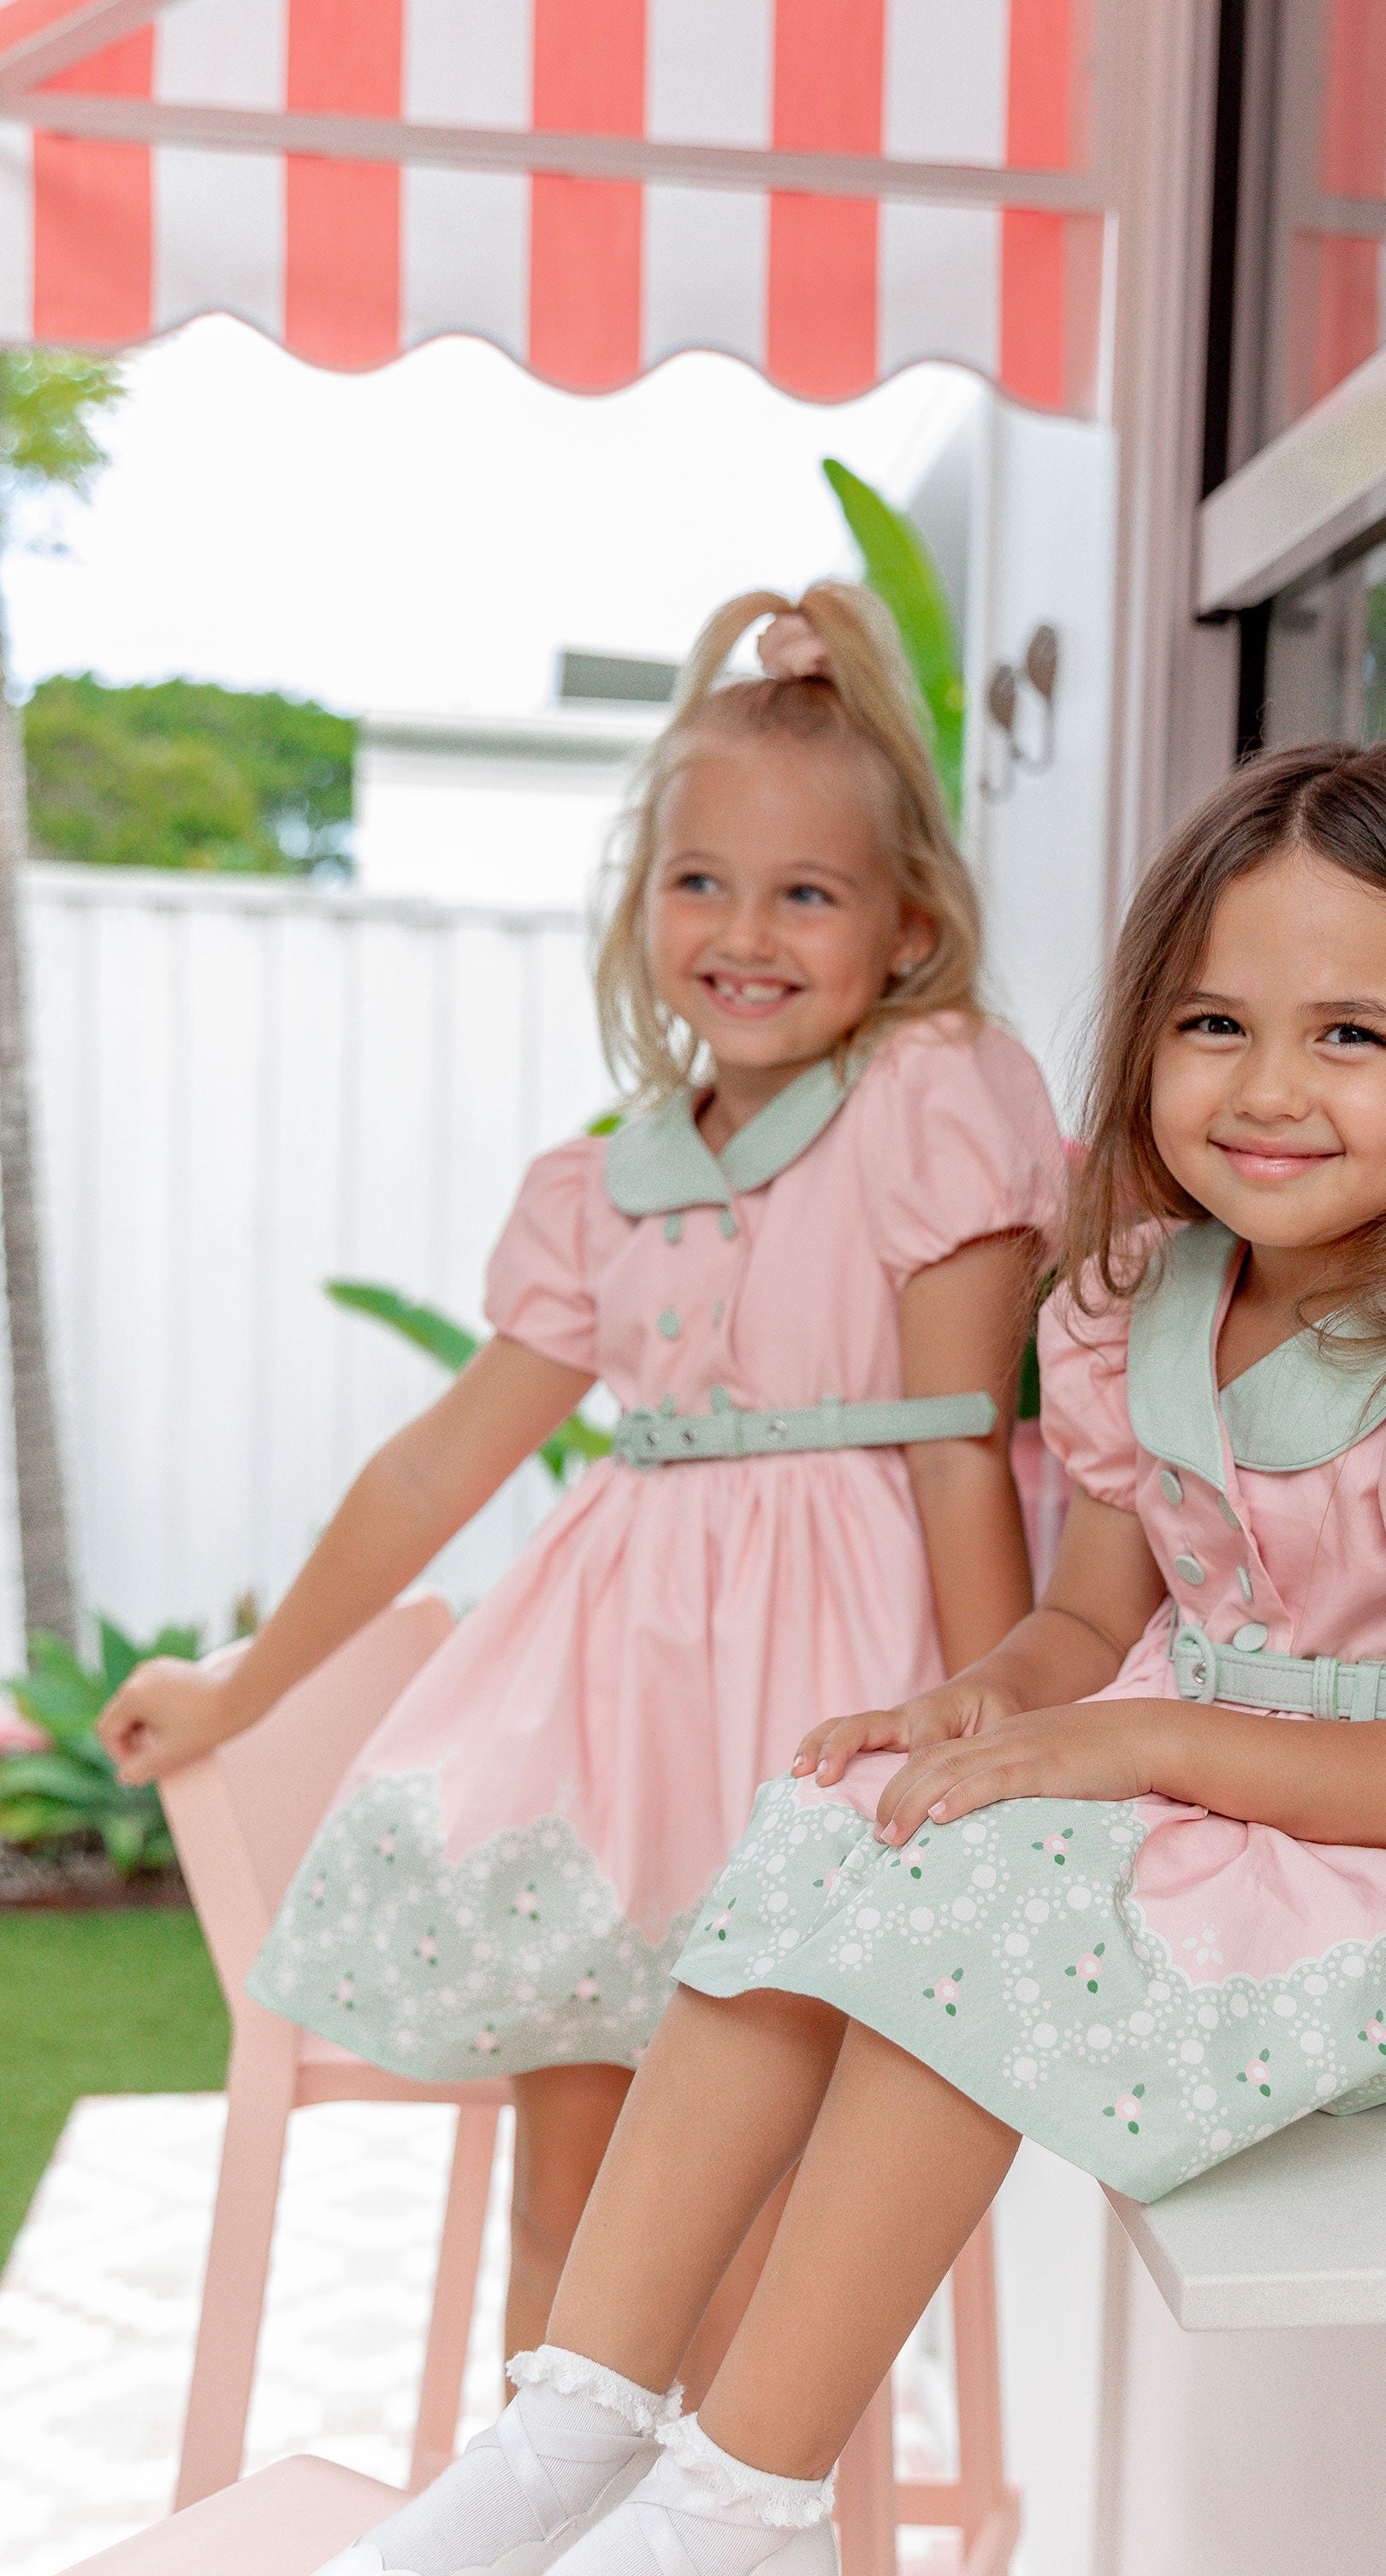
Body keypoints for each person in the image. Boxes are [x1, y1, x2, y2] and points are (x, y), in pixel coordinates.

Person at [247, 737, 1386, 2576]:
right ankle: (574, 2418)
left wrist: (1102, 1744)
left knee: (986, 1919)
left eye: (1350, 1034)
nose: (1267, 1087)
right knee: (845, 1813)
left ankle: (748, 2513)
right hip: (1222, 1779)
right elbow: (1074, 1628)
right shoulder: (1139, 1300)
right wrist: (978, 1706)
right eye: (1216, 1023)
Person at [101, 579, 1063, 2379]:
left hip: (823, 1721)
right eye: (700, 881)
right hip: (610, 1734)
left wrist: (1006, 1731)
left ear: (905, 925)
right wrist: (248, 1680)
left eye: (806, 892)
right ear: (641, 904)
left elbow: (960, 1456)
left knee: (752, 2231)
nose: (744, 931)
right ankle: (518, 2551)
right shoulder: (598, 1184)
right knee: (574, 2199)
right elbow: (436, 1468)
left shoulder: (933, 1099)